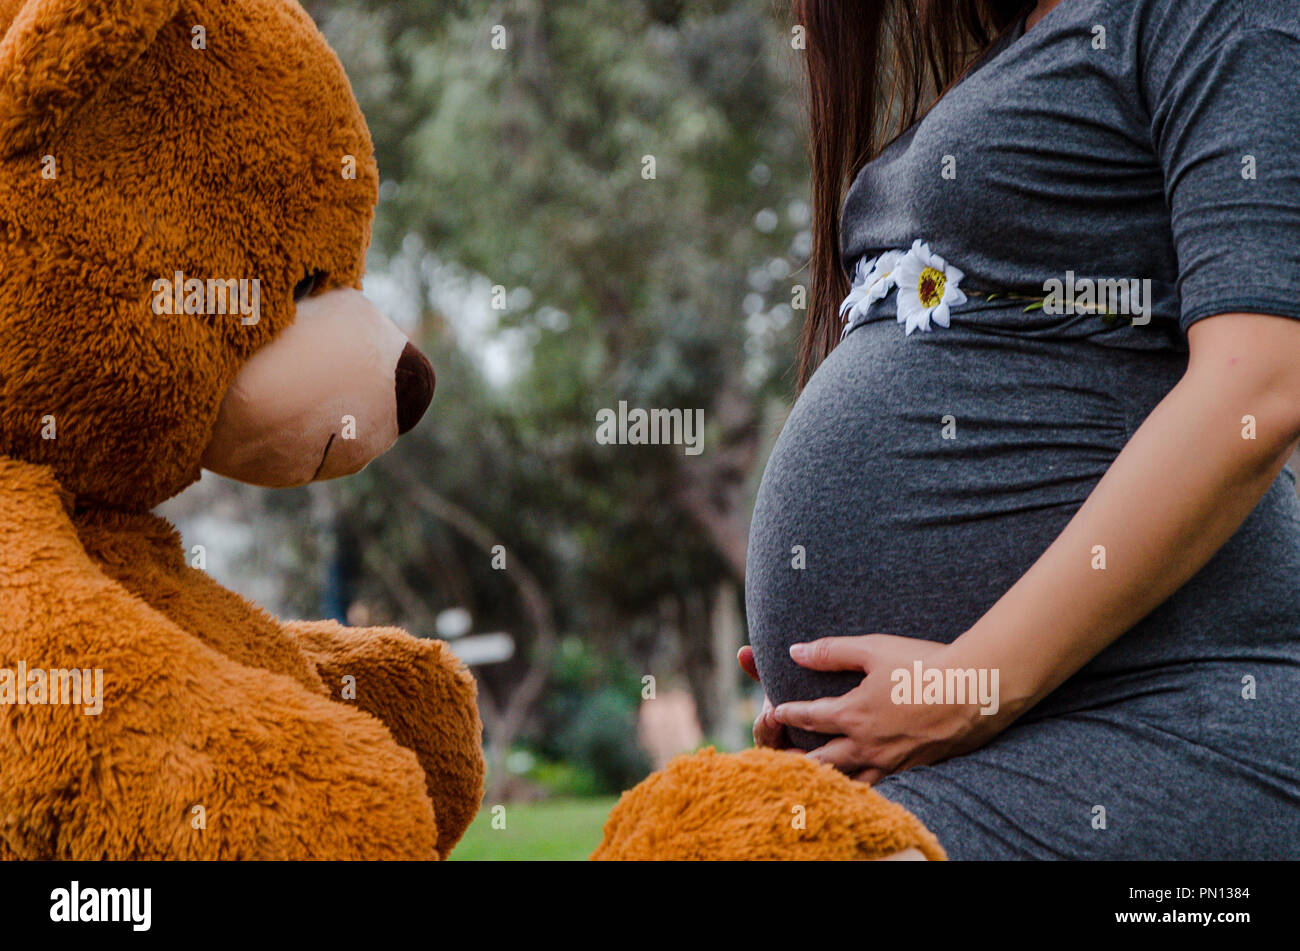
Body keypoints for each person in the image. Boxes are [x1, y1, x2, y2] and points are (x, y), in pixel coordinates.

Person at [743, 0, 1300, 858]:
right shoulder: (1020, 49)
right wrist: (822, 694)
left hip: (1165, 721)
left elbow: (1261, 383)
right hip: (1015, 742)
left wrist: (973, 682)